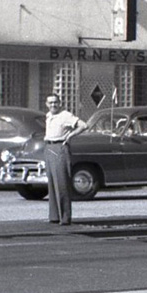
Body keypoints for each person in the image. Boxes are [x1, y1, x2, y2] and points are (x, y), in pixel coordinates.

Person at [43, 93, 87, 225]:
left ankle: (65, 217)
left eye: (55, 102)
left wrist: (70, 135)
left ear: (60, 103)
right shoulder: (49, 116)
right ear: (46, 104)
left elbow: (83, 125)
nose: (53, 105)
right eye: (50, 103)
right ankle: (54, 216)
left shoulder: (65, 115)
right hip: (49, 147)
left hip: (60, 148)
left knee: (61, 183)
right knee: (51, 183)